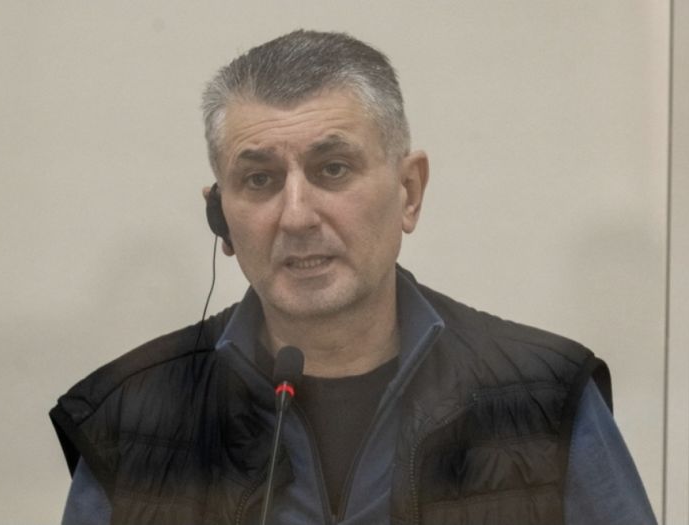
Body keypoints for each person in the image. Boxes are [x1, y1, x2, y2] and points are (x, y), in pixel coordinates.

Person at [51, 30, 657, 525]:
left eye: (333, 168)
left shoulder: (542, 398)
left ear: (409, 191)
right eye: (259, 180)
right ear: (221, 218)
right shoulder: (131, 420)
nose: (296, 215)